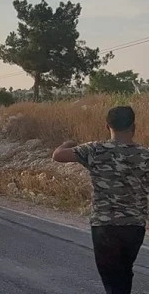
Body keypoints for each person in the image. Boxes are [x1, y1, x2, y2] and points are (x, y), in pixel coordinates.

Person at [52, 105, 149, 294]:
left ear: (107, 126)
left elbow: (57, 156)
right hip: (133, 226)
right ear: (134, 127)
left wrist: (67, 143)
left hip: (104, 226)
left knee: (112, 279)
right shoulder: (145, 155)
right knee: (123, 273)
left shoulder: (95, 150)